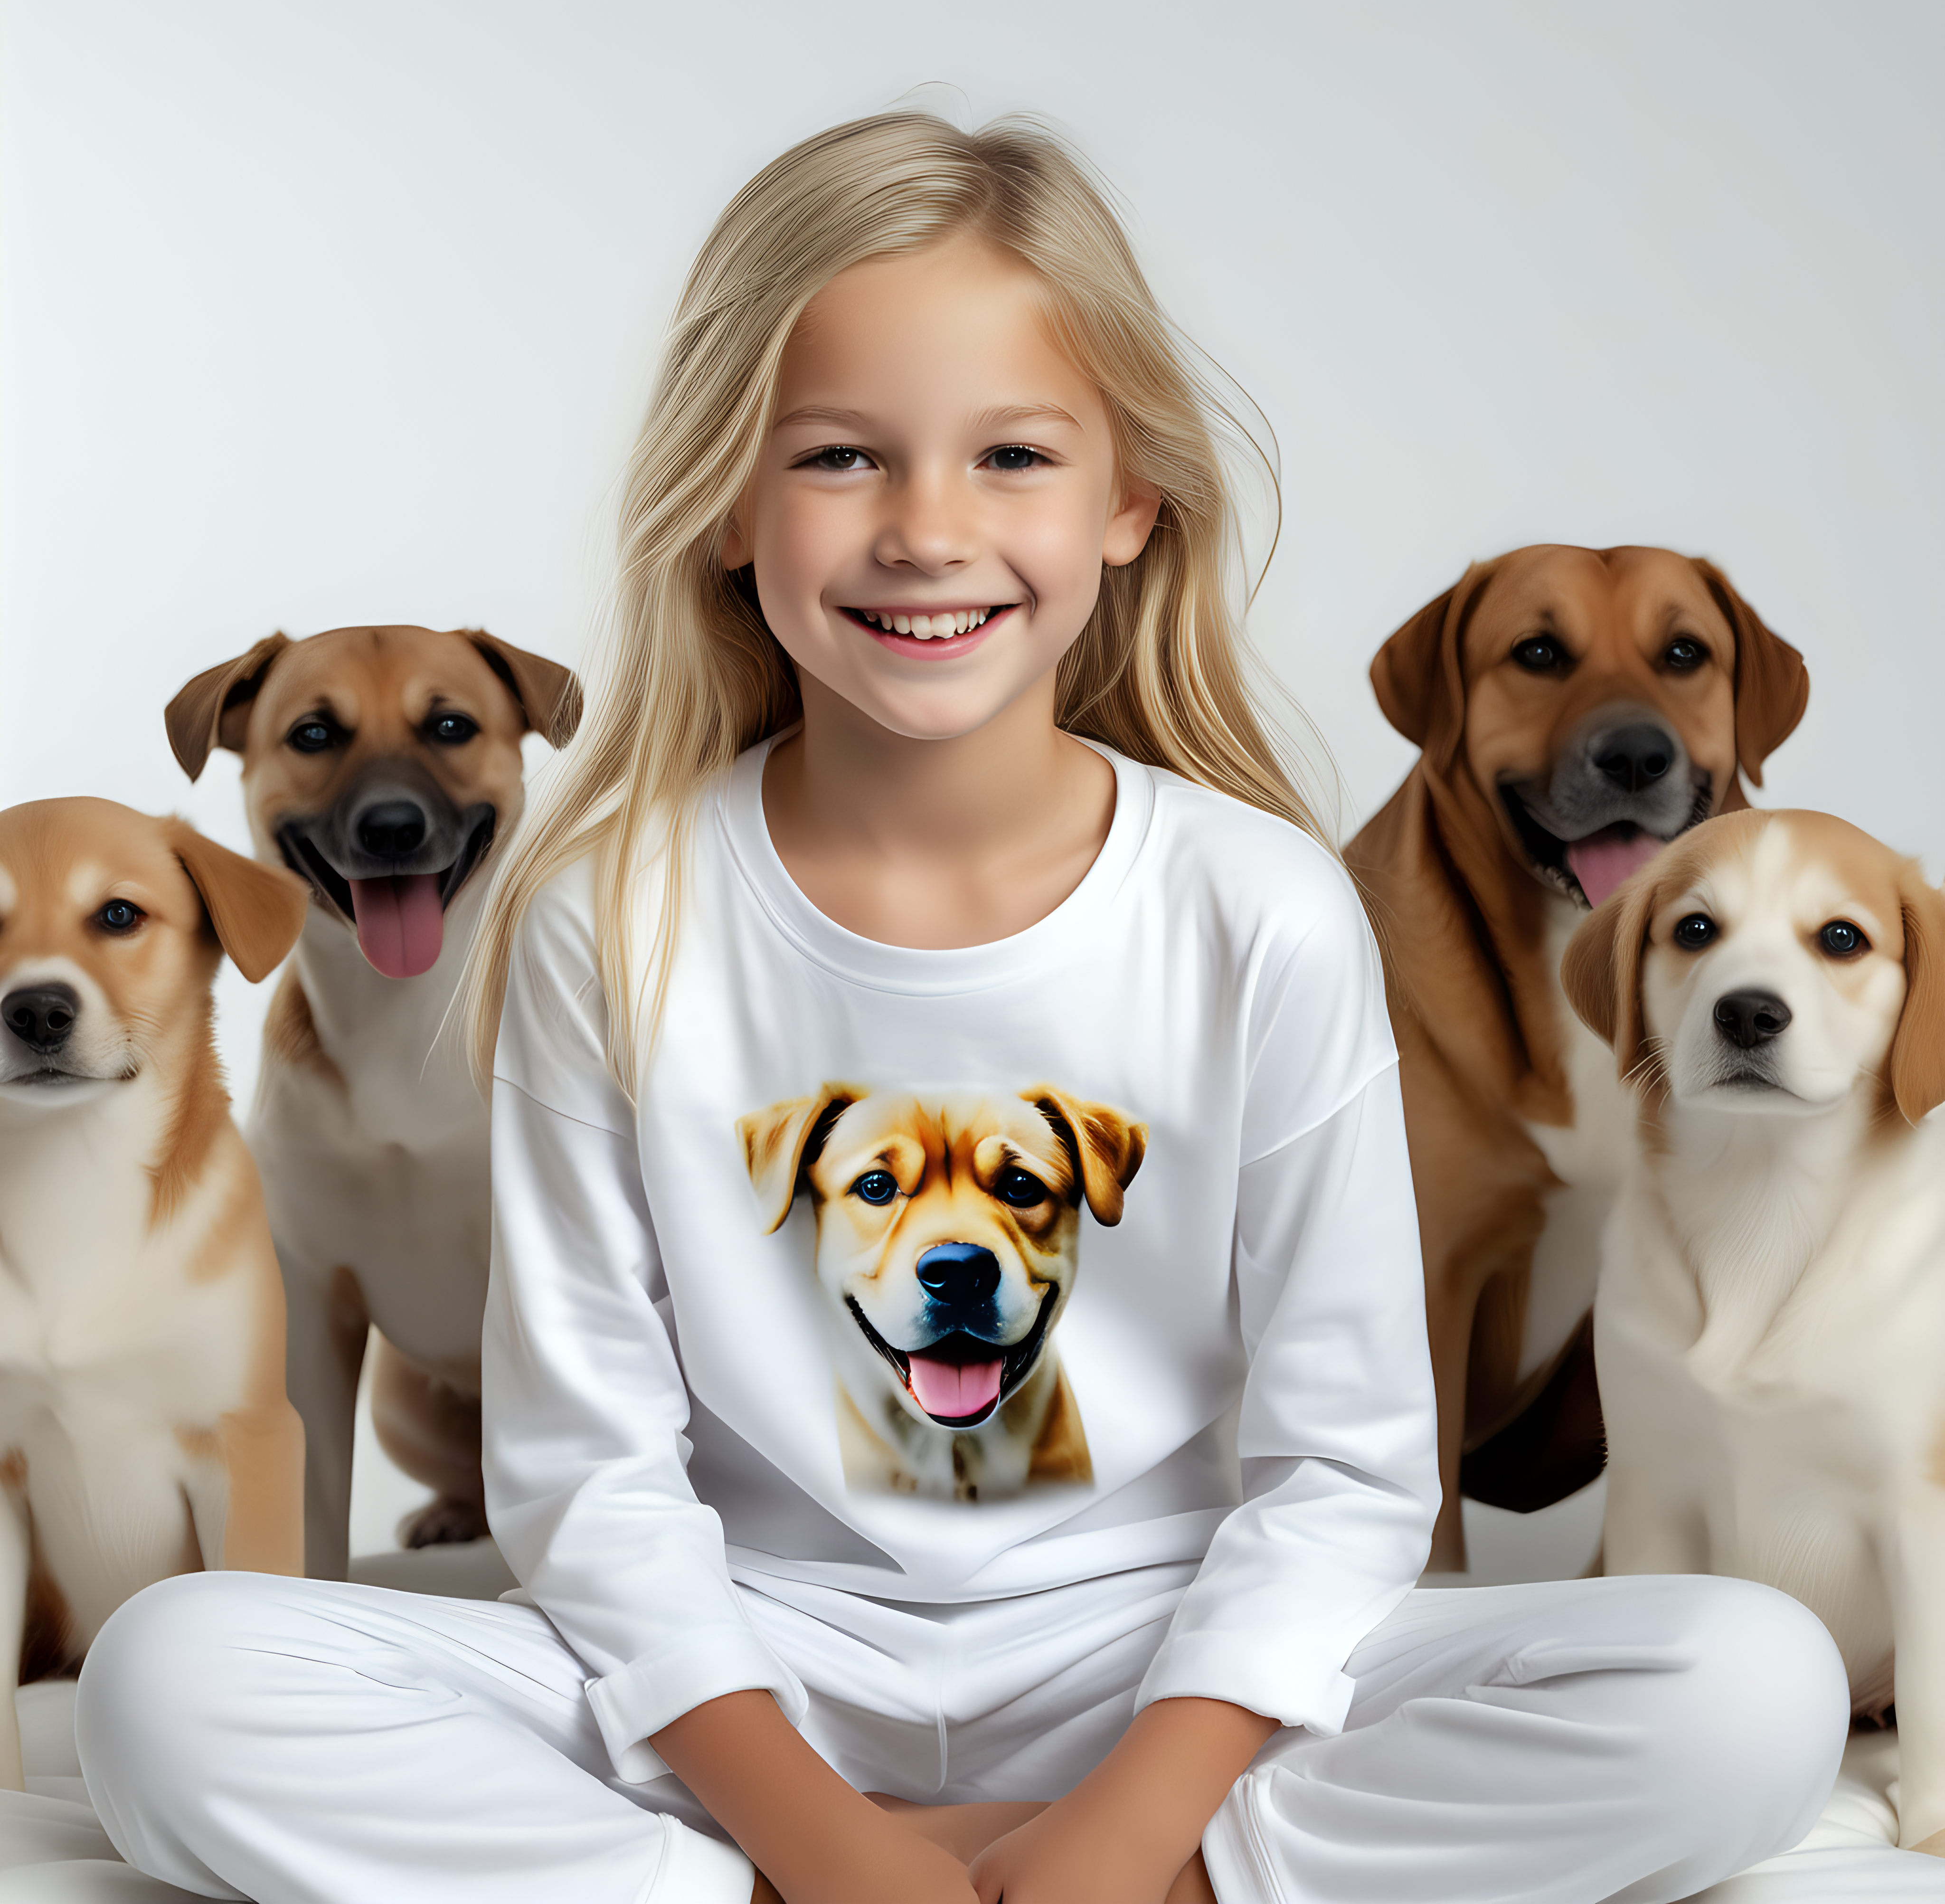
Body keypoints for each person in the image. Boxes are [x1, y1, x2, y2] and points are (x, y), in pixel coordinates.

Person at [76, 111, 1848, 1904]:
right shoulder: (608, 914)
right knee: (168, 1688)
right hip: (745, 1660)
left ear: (1127, 502)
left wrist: (1138, 1821)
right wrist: (819, 1842)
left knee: (1749, 1692)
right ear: (726, 504)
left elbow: (1347, 1470)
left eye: (1013, 454)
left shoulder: (1263, 906)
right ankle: (790, 1885)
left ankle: (1139, 1874)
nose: (931, 532)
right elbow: (586, 1476)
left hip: (1163, 1656)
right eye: (842, 457)